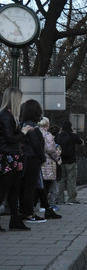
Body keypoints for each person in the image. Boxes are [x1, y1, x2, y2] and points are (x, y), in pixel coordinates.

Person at [0, 87, 32, 231]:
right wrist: (24, 132)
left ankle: (15, 220)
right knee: (4, 189)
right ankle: (14, 220)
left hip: (14, 156)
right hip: (8, 157)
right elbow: (10, 138)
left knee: (14, 190)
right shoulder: (5, 116)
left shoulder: (11, 115)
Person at [19, 99, 49, 223]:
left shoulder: (23, 123)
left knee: (23, 186)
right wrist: (42, 158)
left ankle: (23, 211)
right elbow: (36, 144)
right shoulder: (32, 126)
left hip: (25, 157)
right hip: (32, 158)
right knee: (30, 187)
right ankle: (29, 214)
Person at [38, 117, 62, 219]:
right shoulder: (48, 135)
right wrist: (57, 158)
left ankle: (36, 206)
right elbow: (51, 150)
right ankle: (45, 205)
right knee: (46, 185)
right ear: (47, 124)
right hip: (47, 163)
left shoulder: (36, 133)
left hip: (37, 161)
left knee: (39, 185)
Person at [56, 121, 84, 205]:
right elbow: (82, 143)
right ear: (71, 128)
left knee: (60, 181)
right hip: (71, 161)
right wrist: (74, 133)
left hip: (60, 161)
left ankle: (60, 200)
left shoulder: (58, 136)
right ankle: (71, 200)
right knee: (71, 181)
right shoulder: (73, 136)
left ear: (62, 128)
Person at [48, 125, 62, 211]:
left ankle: (48, 204)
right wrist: (58, 158)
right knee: (54, 189)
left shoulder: (46, 140)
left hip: (47, 169)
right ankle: (51, 204)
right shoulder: (55, 145)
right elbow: (57, 156)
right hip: (54, 169)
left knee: (48, 188)